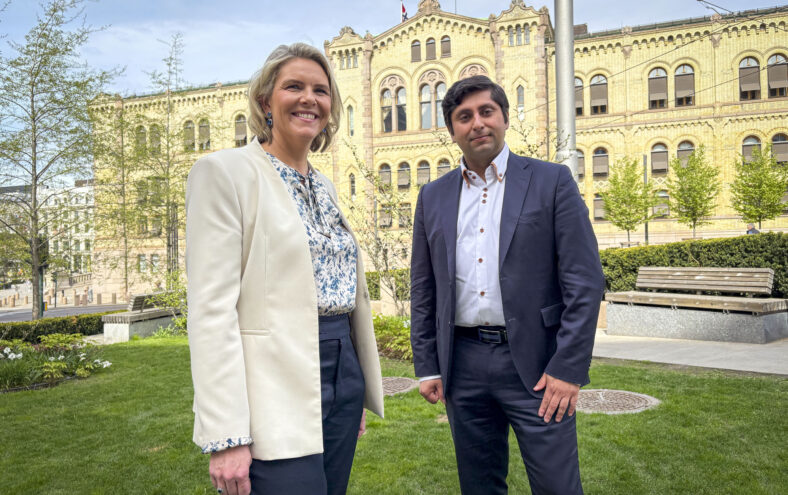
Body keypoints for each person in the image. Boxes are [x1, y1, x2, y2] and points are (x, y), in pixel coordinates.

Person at [186, 42, 384, 495]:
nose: (309, 98)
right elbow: (211, 311)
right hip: (271, 385)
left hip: (341, 368)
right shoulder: (224, 173)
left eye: (321, 90)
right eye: (294, 86)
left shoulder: (325, 186)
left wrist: (349, 389)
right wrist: (227, 434)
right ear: (265, 102)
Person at [410, 75, 605, 495]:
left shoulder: (551, 181)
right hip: (463, 366)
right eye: (464, 117)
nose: (477, 123)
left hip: (539, 367)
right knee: (478, 486)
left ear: (504, 118)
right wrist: (428, 365)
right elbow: (423, 288)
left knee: (557, 487)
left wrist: (568, 367)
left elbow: (585, 281)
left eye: (486, 112)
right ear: (452, 130)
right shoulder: (432, 197)